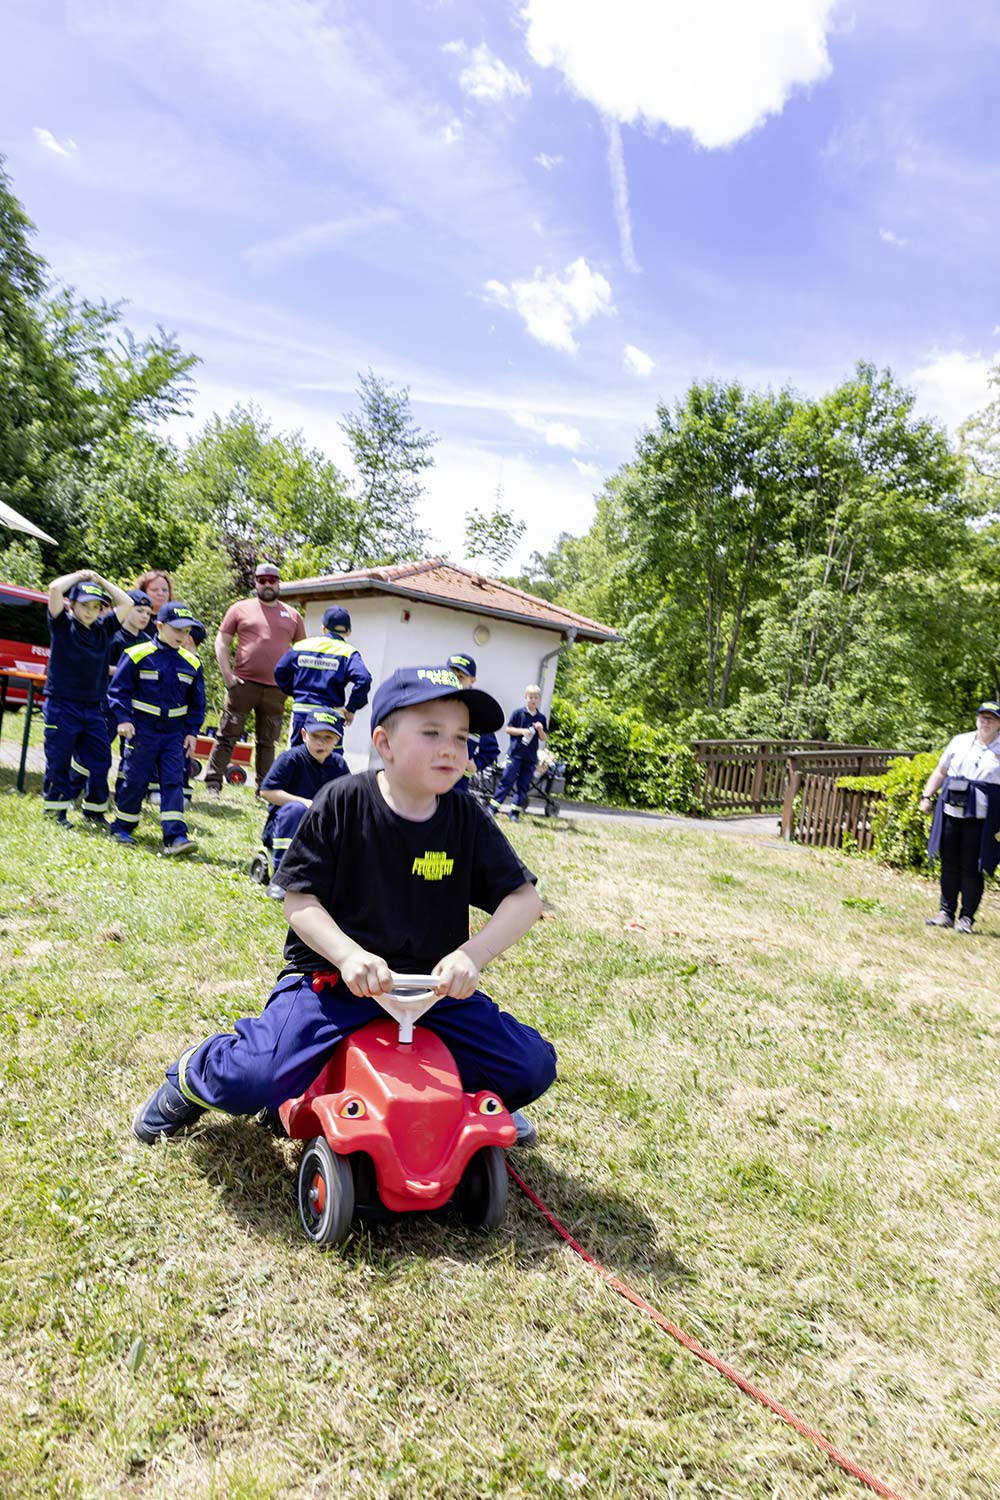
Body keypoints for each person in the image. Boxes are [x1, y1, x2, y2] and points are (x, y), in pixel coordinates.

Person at [133, 664, 556, 1149]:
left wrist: (471, 956)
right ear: (384, 742)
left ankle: (471, 1096)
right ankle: (194, 1073)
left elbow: (524, 900)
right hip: (331, 983)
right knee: (255, 1079)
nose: (450, 748)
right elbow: (300, 901)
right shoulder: (341, 803)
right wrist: (349, 956)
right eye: (432, 732)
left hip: (428, 993)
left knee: (530, 1066)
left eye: (460, 737)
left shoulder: (465, 816)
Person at [108, 602, 207, 855]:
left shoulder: (192, 663)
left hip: (174, 735)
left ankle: (176, 837)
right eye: (178, 630)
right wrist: (123, 718)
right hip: (143, 731)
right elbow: (118, 690)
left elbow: (197, 704)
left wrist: (192, 732)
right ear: (160, 626)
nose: (183, 636)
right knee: (135, 779)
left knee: (174, 782)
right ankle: (122, 827)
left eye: (187, 632)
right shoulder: (137, 654)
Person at [42, 568, 134, 826]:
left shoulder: (103, 629)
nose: (91, 611)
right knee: (59, 760)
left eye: (96, 606)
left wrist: (100, 581)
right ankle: (55, 812)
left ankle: (94, 810)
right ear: (72, 604)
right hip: (62, 705)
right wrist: (80, 577)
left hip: (93, 708)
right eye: (85, 605)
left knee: (101, 760)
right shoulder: (62, 625)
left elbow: (127, 602)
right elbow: (54, 588)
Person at [204, 561, 305, 794]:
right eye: (262, 580)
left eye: (272, 580)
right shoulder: (240, 609)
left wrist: (293, 682)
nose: (267, 584)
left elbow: (301, 652)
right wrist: (227, 675)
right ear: (255, 582)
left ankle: (265, 789)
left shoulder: (293, 615)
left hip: (276, 689)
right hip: (242, 684)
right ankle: (213, 783)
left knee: (267, 742)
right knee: (227, 734)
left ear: (279, 583)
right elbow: (222, 642)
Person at [921, 700, 1000, 934]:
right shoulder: (959, 741)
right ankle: (945, 912)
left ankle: (966, 918)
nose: (985, 721)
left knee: (972, 866)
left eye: (991, 718)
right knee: (949, 864)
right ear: (976, 719)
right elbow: (940, 771)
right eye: (982, 717)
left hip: (982, 818)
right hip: (951, 811)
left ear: (998, 724)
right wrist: (926, 796)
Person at [258, 709, 348, 893]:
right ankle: (281, 878)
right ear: (304, 734)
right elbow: (267, 791)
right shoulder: (291, 758)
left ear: (337, 740)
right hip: (285, 825)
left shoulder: (339, 765)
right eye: (315, 736)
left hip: (320, 831)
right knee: (295, 810)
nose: (321, 742)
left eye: (328, 737)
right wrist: (305, 803)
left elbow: (347, 799)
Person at [273, 605, 371, 747]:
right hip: (330, 716)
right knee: (331, 762)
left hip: (303, 714)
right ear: (349, 631)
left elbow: (280, 671)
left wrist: (295, 693)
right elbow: (364, 679)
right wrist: (351, 709)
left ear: (323, 628)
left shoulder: (302, 646)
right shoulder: (348, 652)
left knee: (299, 759)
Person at [489, 683, 548, 823]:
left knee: (523, 785)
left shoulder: (541, 718)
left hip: (530, 758)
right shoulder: (518, 713)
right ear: (525, 698)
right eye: (530, 697)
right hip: (515, 754)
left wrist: (540, 730)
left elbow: (543, 738)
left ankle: (514, 813)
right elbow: (508, 729)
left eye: (536, 698)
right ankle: (493, 809)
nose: (533, 700)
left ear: (539, 699)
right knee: (506, 781)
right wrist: (522, 731)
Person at [445, 653, 499, 794]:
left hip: (458, 785)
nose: (455, 680)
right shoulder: (433, 703)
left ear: (472, 680)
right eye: (451, 675)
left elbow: (491, 750)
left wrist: (476, 763)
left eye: (461, 677)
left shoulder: (477, 712)